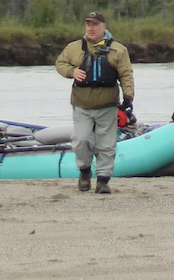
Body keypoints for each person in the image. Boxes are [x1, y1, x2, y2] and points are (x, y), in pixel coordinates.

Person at [54, 11, 136, 194]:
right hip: (82, 103)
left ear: (104, 27)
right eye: (88, 25)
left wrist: (128, 97)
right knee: (82, 140)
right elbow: (60, 64)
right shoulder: (74, 48)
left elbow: (126, 74)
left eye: (95, 25)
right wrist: (72, 72)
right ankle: (84, 170)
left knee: (106, 144)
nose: (91, 28)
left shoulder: (119, 50)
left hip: (107, 104)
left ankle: (103, 180)